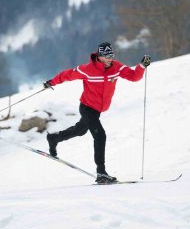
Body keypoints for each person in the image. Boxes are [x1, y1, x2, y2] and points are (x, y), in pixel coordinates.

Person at [43, 42, 151, 184]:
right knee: (100, 135)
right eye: (106, 56)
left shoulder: (117, 67)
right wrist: (52, 82)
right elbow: (67, 75)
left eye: (111, 55)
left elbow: (133, 76)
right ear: (99, 56)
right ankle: (101, 173)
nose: (109, 59)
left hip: (98, 109)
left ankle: (54, 138)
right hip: (87, 107)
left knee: (80, 130)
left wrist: (142, 66)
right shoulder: (88, 69)